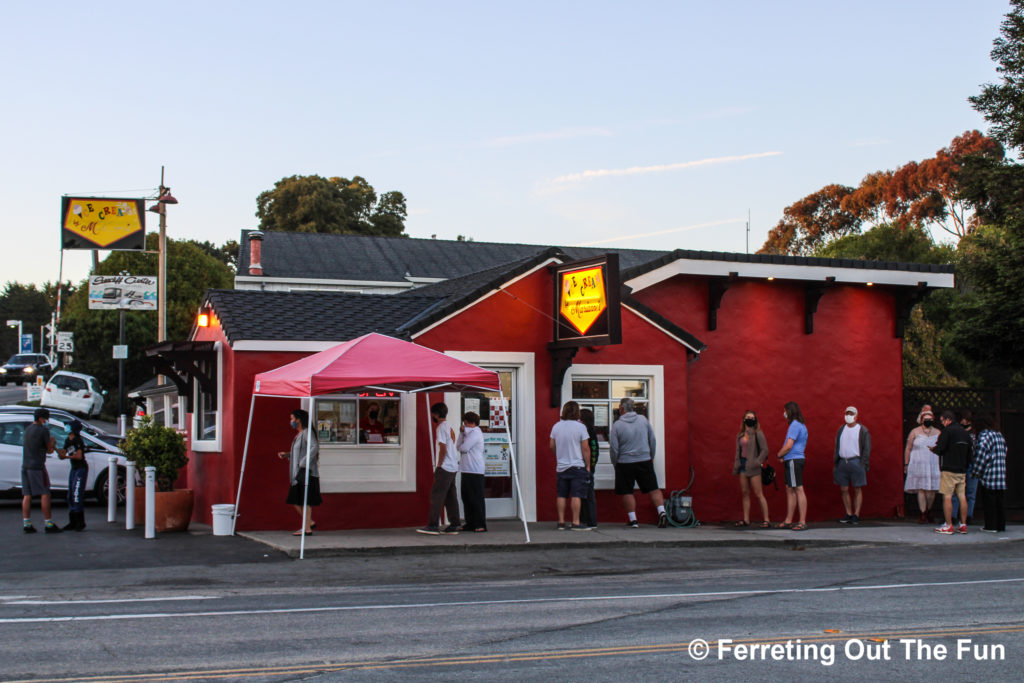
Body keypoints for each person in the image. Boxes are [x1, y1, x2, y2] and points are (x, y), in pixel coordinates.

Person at [609, 397, 667, 528]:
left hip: (625, 462)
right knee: (653, 488)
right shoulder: (643, 420)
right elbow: (652, 439)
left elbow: (614, 447)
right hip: (644, 459)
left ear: (621, 409)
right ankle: (662, 512)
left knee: (627, 491)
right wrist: (651, 455)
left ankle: (633, 519)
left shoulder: (617, 425)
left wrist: (615, 462)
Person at [417, 403, 460, 535]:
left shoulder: (441, 428)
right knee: (451, 496)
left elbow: (442, 448)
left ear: (436, 414)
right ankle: (454, 524)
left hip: (445, 467)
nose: (432, 416)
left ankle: (433, 525)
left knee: (437, 496)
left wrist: (439, 465)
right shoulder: (449, 426)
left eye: (433, 414)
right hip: (453, 466)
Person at [21, 407, 65, 534]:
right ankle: (48, 523)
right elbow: (49, 450)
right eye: (46, 418)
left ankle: (27, 523)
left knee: (27, 495)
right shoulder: (43, 430)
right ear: (41, 419)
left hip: (25, 465)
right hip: (38, 467)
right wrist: (52, 441)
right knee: (45, 492)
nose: (47, 421)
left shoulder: (28, 429)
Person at [549, 401, 592, 530]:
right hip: (577, 465)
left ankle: (561, 522)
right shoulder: (581, 427)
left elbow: (551, 446)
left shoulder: (556, 426)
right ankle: (576, 522)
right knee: (576, 495)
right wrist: (588, 465)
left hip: (561, 466)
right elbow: (585, 448)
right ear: (577, 412)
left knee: (561, 495)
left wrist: (560, 454)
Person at [278, 409, 321, 536]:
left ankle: (307, 528)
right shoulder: (299, 434)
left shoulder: (307, 432)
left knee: (305, 500)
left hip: (306, 472)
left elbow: (314, 446)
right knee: (296, 500)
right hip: (297, 473)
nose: (291, 421)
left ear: (299, 420)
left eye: (292, 419)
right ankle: (309, 522)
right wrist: (288, 455)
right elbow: (299, 452)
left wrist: (303, 462)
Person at [931, 409, 973, 535]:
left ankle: (949, 525)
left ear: (947, 419)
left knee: (947, 496)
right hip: (962, 469)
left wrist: (934, 449)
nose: (942, 423)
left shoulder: (947, 431)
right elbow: (970, 453)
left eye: (942, 421)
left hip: (949, 468)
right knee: (962, 496)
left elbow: (940, 448)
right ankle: (963, 524)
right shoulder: (966, 434)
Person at [833, 406, 871, 525]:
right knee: (843, 489)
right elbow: (837, 445)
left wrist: (863, 463)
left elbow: (867, 448)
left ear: (856, 416)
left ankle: (856, 514)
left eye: (851, 414)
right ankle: (848, 513)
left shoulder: (862, 430)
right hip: (843, 461)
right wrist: (836, 461)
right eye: (847, 413)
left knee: (857, 488)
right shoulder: (841, 429)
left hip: (856, 461)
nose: (848, 416)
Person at [732, 410, 770, 528]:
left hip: (753, 466)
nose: (750, 419)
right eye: (748, 417)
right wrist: (737, 464)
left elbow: (765, 450)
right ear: (744, 419)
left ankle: (766, 520)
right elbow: (738, 451)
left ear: (755, 420)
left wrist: (757, 462)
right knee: (745, 493)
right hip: (743, 465)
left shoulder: (758, 433)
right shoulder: (740, 435)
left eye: (752, 417)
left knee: (758, 493)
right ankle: (746, 519)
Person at [969, 414, 1007, 533]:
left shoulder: (984, 437)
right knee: (999, 502)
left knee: (989, 503)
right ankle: (1001, 525)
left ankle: (990, 526)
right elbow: (1005, 450)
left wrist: (975, 472)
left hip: (989, 475)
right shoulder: (999, 435)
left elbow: (981, 456)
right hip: (1000, 474)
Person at [904, 407, 941, 523]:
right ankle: (923, 512)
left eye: (930, 419)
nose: (928, 421)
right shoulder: (915, 432)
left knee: (931, 490)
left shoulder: (938, 432)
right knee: (921, 489)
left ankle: (929, 509)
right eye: (926, 419)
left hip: (933, 463)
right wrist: (906, 463)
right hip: (918, 463)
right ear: (921, 420)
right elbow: (908, 448)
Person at [776, 401, 808, 531]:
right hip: (792, 460)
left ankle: (802, 521)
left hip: (794, 459)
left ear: (789, 411)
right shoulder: (801, 425)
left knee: (798, 489)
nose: (783, 413)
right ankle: (789, 520)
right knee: (790, 489)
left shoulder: (794, 425)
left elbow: (789, 445)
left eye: (784, 410)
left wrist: (779, 454)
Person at [457, 411, 487, 532]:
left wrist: (464, 436)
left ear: (471, 423)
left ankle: (480, 524)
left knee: (476, 498)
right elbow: (458, 446)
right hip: (466, 468)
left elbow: (463, 448)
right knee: (467, 497)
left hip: (475, 469)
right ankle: (470, 523)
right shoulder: (468, 433)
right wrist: (461, 434)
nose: (464, 425)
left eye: (466, 422)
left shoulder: (475, 433)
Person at [58, 419, 88, 531]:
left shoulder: (78, 440)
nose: (66, 427)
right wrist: (55, 448)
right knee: (70, 494)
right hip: (74, 468)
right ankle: (72, 521)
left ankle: (80, 522)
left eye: (68, 426)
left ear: (73, 429)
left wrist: (66, 457)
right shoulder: (68, 440)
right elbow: (63, 453)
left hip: (81, 468)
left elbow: (79, 456)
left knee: (77, 494)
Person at [952, 411, 979, 524]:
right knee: (957, 492)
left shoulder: (976, 433)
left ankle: (968, 515)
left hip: (970, 463)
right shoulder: (961, 432)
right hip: (963, 463)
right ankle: (954, 515)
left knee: (969, 492)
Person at [579, 408, 600, 529]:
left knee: (586, 495)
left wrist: (589, 467)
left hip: (585, 468)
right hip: (589, 467)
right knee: (587, 495)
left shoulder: (587, 432)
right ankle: (589, 520)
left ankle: (588, 520)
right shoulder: (592, 431)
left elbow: (590, 450)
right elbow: (595, 451)